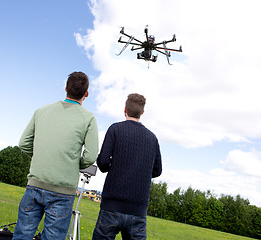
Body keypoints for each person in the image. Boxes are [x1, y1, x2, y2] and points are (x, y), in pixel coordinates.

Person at [12, 71, 99, 240]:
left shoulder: (41, 111)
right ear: (86, 93)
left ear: (65, 88)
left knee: (22, 235)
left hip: (34, 184)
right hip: (63, 191)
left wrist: (41, 156)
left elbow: (23, 143)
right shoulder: (88, 118)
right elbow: (90, 157)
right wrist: (71, 163)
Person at [92, 93, 162, 240]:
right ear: (142, 112)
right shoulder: (152, 138)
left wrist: (118, 166)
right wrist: (139, 170)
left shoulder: (115, 130)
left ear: (125, 109)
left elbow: (103, 162)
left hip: (111, 207)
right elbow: (157, 170)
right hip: (138, 210)